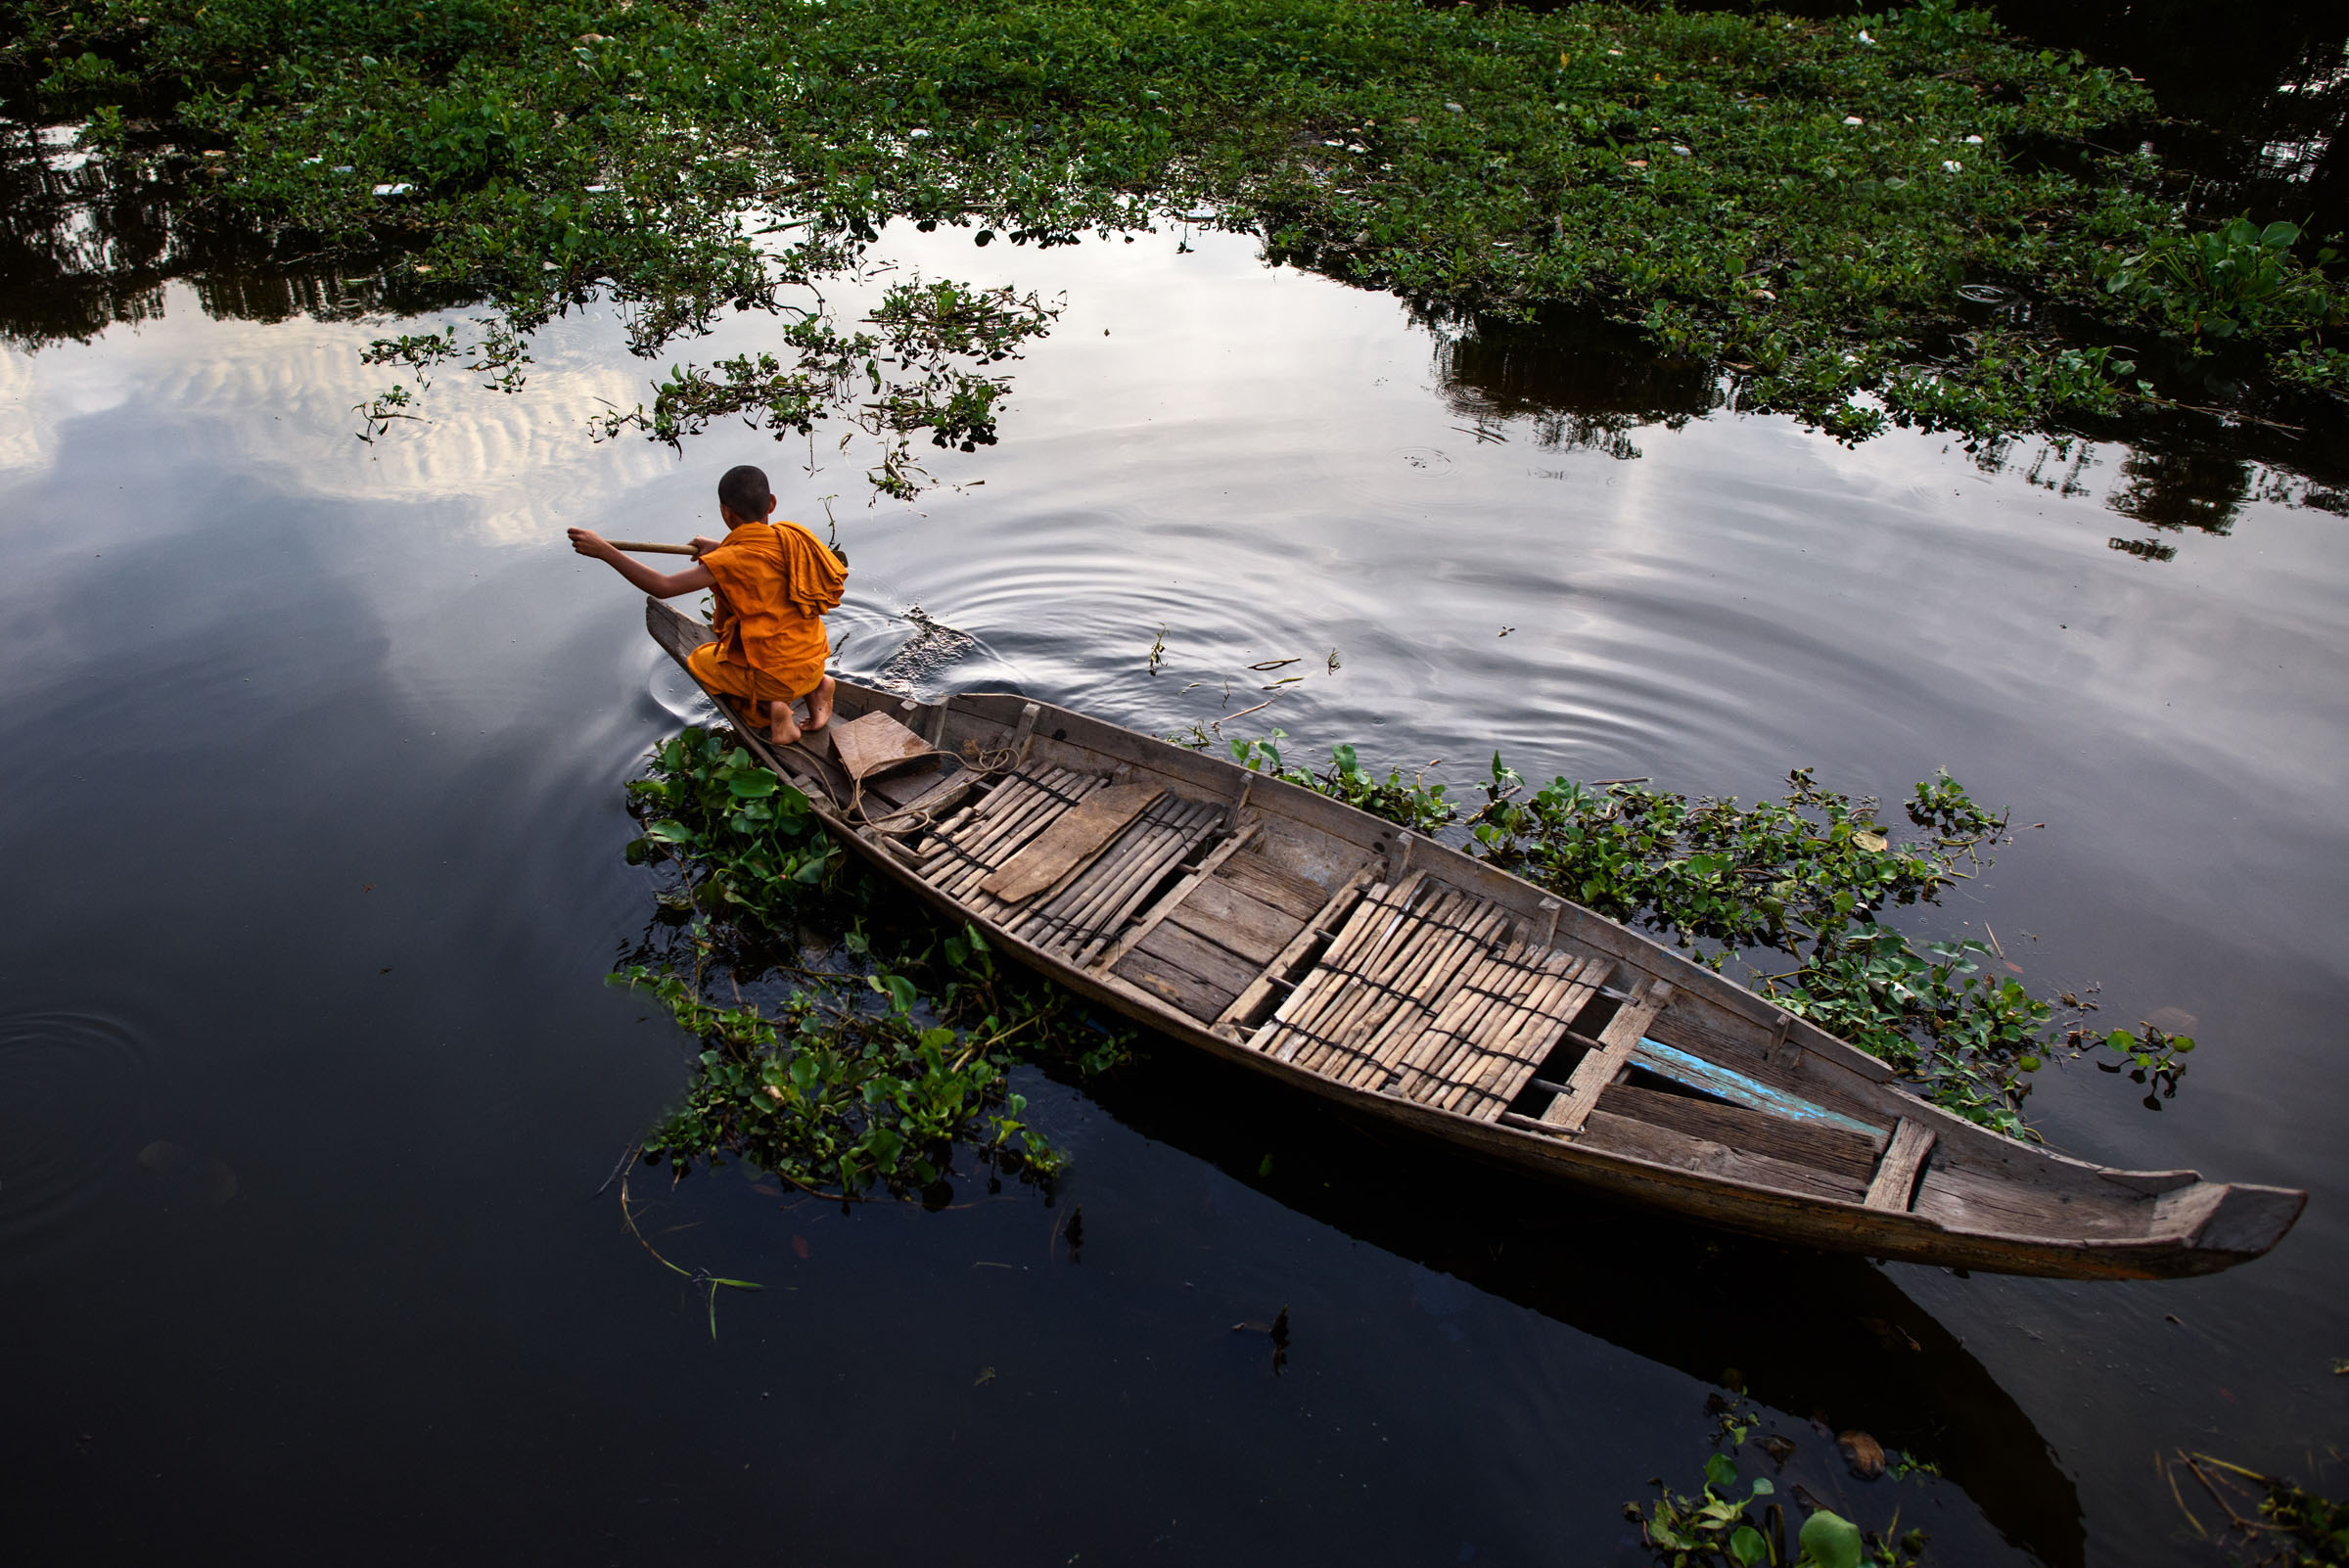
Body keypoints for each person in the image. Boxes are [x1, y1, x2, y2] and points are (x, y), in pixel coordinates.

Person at [568, 465, 845, 745]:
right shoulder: (792, 537)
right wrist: (719, 547)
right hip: (815, 660)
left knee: (702, 660)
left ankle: (775, 714)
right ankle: (818, 690)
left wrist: (605, 552)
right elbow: (754, 553)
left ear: (726, 512)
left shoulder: (729, 560)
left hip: (776, 680)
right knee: (781, 652)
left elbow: (662, 586)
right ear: (772, 503)